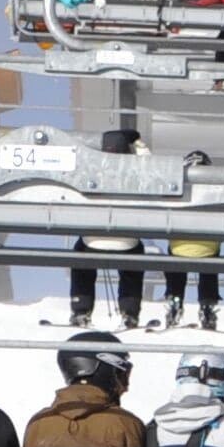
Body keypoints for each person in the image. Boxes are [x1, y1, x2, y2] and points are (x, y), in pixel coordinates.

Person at [71, 127, 151, 328]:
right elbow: (154, 166)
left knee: (81, 256)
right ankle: (130, 312)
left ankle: (81, 309)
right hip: (126, 241)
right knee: (134, 258)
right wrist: (139, 143)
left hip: (93, 240)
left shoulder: (92, 171)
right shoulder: (137, 172)